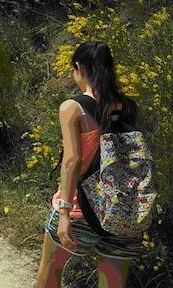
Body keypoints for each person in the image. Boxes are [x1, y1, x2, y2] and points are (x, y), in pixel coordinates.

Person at [36, 41, 141, 288]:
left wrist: (63, 214)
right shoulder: (128, 107)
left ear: (79, 68)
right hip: (121, 213)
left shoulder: (72, 108)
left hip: (79, 212)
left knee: (50, 275)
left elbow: (72, 161)